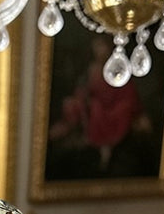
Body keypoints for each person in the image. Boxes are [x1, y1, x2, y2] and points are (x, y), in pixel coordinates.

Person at [48, 36, 152, 170]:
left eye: (101, 46)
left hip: (113, 107)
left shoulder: (118, 67)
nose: (99, 51)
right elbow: (85, 89)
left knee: (104, 109)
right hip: (93, 104)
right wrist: (85, 97)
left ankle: (103, 141)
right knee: (73, 105)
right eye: (97, 47)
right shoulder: (93, 69)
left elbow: (127, 92)